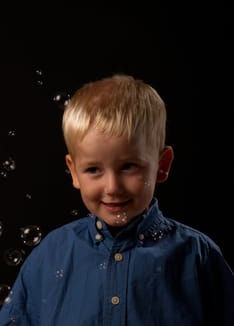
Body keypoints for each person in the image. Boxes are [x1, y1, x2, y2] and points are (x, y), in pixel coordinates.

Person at [0, 74, 233, 326]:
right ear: (74, 171)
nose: (112, 187)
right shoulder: (49, 255)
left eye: (129, 166)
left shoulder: (198, 257)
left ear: (162, 165)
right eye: (93, 170)